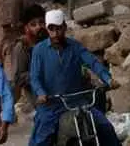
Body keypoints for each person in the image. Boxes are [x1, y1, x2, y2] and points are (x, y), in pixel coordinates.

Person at [28, 9, 119, 146]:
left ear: (64, 27)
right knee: (42, 138)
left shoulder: (75, 46)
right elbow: (34, 77)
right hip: (52, 104)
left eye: (59, 28)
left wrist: (108, 79)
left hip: (79, 102)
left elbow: (92, 62)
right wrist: (41, 93)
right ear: (47, 29)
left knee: (105, 127)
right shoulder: (39, 50)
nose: (55, 33)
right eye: (51, 29)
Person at [8, 4, 47, 104]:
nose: (39, 27)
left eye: (41, 22)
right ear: (26, 28)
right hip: (36, 94)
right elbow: (18, 78)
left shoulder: (50, 40)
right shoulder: (22, 47)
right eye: (33, 25)